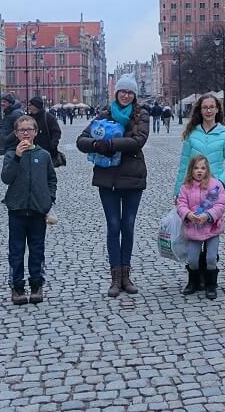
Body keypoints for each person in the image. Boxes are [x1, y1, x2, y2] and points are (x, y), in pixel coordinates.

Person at [76, 73, 149, 298]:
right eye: (122, 91)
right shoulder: (104, 114)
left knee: (128, 226)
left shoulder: (141, 115)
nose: (126, 95)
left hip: (132, 177)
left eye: (129, 92)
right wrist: (98, 144)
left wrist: (109, 143)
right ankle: (115, 278)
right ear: (116, 93)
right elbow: (81, 141)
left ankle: (126, 275)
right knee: (113, 226)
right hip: (107, 179)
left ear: (134, 95)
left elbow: (138, 141)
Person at [174, 94, 225, 291]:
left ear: (217, 110)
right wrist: (178, 190)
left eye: (212, 107)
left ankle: (209, 273)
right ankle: (194, 275)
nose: (209, 111)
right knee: (193, 231)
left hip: (213, 193)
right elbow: (184, 164)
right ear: (200, 110)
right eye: (205, 107)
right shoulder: (192, 134)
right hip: (192, 189)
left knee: (210, 229)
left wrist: (221, 182)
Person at [1, 114, 57, 305]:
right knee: (16, 250)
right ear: (16, 134)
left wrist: (49, 199)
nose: (25, 133)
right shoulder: (10, 155)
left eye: (29, 129)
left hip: (37, 210)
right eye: (22, 130)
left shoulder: (43, 155)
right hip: (16, 209)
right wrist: (17, 157)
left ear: (36, 132)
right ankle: (17, 287)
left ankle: (36, 285)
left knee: (37, 249)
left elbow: (51, 179)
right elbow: (6, 178)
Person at [176, 155, 225, 299]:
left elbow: (220, 204)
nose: (199, 171)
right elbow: (181, 204)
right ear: (191, 170)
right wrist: (188, 214)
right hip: (194, 228)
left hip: (212, 228)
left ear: (207, 170)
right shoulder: (186, 187)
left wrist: (208, 215)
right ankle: (194, 281)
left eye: (203, 168)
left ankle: (211, 284)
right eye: (196, 168)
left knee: (211, 257)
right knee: (192, 259)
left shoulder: (215, 185)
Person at [25, 97, 62, 165]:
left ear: (36, 106)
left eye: (30, 105)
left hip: (46, 150)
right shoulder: (28, 118)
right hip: (31, 148)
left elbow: (56, 132)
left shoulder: (48, 117)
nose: (28, 107)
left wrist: (53, 144)